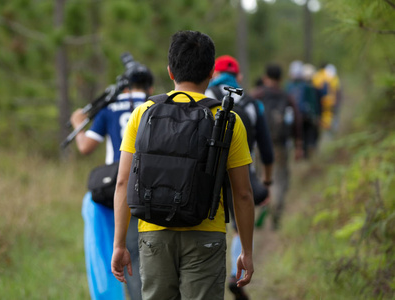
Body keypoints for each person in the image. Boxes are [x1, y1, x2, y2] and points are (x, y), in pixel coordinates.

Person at [111, 30, 255, 300]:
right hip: (206, 233)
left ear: (169, 71)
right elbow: (243, 193)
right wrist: (246, 250)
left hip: (153, 233)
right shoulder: (227, 120)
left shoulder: (142, 114)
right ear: (212, 72)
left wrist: (119, 244)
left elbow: (122, 182)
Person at [70, 62, 154, 300]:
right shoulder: (154, 105)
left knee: (126, 252)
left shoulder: (109, 108)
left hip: (121, 188)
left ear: (123, 86)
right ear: (150, 86)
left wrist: (78, 123)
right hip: (153, 186)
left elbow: (85, 147)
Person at [206, 55, 274, 300]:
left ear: (213, 74)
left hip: (209, 174)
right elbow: (266, 151)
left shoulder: (206, 95)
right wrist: (265, 183)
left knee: (210, 226)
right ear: (239, 77)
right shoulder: (253, 103)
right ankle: (236, 275)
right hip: (243, 172)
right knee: (238, 226)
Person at [250, 63, 303, 230]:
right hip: (280, 145)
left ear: (265, 78)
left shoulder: (256, 95)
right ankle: (276, 211)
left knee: (261, 177)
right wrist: (299, 145)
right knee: (279, 179)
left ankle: (262, 207)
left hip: (259, 144)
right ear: (281, 79)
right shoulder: (287, 97)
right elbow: (297, 121)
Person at [285, 60, 322, 159]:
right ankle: (305, 153)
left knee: (297, 136)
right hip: (306, 115)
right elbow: (313, 101)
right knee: (306, 134)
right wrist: (316, 114)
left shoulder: (288, 86)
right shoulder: (307, 86)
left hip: (293, 116)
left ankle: (300, 154)